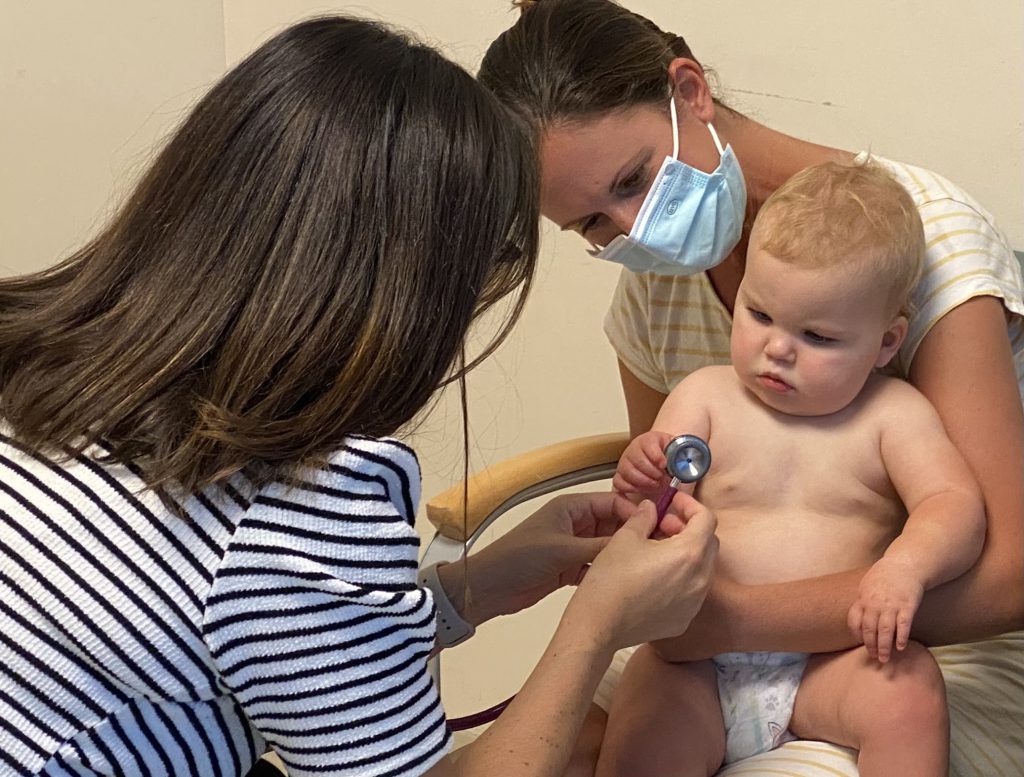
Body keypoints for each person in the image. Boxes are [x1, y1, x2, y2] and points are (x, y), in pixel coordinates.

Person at [0, 15, 720, 777]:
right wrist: (597, 624)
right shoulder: (303, 509)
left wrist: (466, 589)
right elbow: (272, 594)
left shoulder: (38, 355)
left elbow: (261, 630)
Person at [479, 0, 1024, 773]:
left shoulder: (921, 245)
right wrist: (645, 494)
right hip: (697, 651)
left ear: (691, 93)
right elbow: (666, 498)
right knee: (523, 758)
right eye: (592, 226)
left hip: (916, 643)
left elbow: (1007, 577)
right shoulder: (652, 289)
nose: (632, 228)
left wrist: (731, 621)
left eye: (633, 179)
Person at [603, 161, 984, 777]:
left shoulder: (893, 415)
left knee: (910, 690)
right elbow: (650, 517)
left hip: (830, 660)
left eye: (818, 336)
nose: (778, 348)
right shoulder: (704, 396)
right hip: (696, 662)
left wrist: (905, 568)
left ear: (886, 343)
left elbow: (956, 506)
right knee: (644, 724)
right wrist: (640, 483)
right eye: (759, 315)